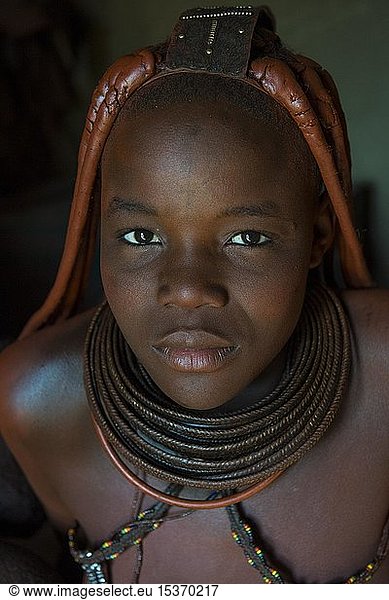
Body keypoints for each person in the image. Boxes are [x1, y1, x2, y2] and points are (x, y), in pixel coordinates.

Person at [0, 5, 388, 585]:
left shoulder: (382, 376)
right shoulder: (32, 399)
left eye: (246, 237)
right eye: (139, 236)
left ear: (318, 238)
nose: (187, 290)